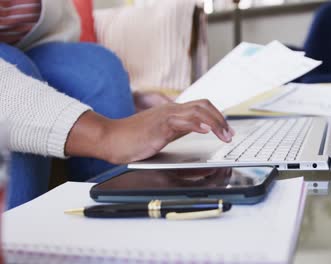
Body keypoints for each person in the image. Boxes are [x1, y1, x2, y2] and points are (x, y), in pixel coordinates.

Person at [0, 0, 234, 209]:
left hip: (31, 46)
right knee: (17, 64)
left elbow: (59, 25)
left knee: (100, 68)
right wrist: (107, 134)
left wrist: (130, 96)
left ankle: (115, 221)